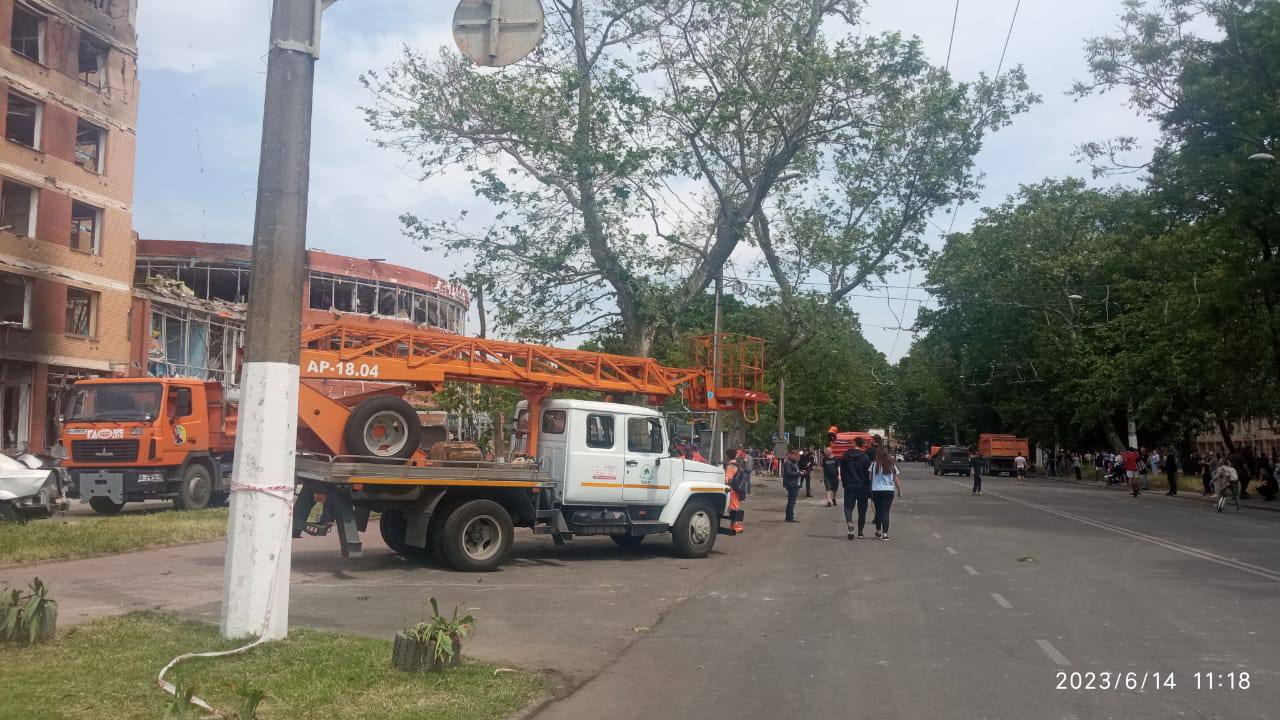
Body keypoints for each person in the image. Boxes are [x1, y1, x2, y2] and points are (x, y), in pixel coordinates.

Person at [840, 437, 872, 539]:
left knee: (848, 507)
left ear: (854, 443)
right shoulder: (866, 457)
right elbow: (868, 474)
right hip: (862, 486)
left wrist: (844, 483)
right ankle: (860, 532)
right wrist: (869, 486)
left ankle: (850, 524)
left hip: (849, 485)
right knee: (862, 510)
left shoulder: (845, 456)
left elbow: (842, 471)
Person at [870, 448, 902, 540]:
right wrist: (899, 491)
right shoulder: (891, 464)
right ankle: (885, 534)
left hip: (876, 490)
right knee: (885, 511)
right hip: (888, 491)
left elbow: (870, 477)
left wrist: (876, 481)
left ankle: (878, 531)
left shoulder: (873, 464)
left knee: (878, 511)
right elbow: (895, 479)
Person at [724, 450, 747, 534]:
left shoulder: (730, 466)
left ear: (728, 456)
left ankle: (737, 527)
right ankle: (733, 525)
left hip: (732, 489)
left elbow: (729, 479)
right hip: (737, 489)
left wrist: (727, 486)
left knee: (734, 508)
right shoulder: (737, 464)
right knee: (734, 507)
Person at [781, 449, 802, 522]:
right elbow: (789, 473)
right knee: (791, 501)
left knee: (792, 501)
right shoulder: (788, 463)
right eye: (797, 457)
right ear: (793, 455)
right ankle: (789, 517)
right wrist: (799, 473)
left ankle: (789, 516)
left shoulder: (793, 462)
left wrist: (800, 472)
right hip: (791, 484)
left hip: (794, 483)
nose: (798, 458)